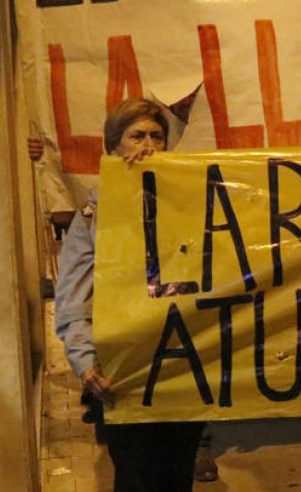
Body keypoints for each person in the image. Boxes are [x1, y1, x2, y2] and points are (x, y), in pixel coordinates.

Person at [54, 98, 204, 491]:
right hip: (124, 371)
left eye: (157, 136)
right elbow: (74, 295)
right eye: (136, 136)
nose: (148, 145)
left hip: (180, 368)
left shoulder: (189, 206)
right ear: (114, 148)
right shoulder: (92, 217)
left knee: (177, 474)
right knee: (136, 476)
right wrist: (85, 362)